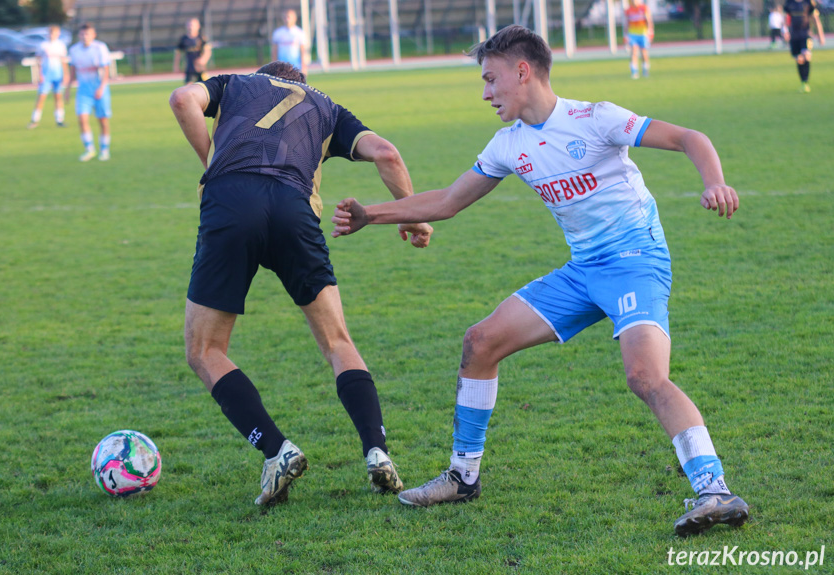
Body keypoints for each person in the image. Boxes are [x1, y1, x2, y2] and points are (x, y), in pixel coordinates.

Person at [332, 25, 748, 537]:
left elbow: (690, 138)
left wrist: (715, 182)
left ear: (522, 71)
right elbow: (447, 202)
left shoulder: (595, 118)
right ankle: (463, 477)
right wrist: (371, 214)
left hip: (635, 262)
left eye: (491, 80)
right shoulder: (509, 145)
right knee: (480, 342)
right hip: (582, 272)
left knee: (645, 377)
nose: (485, 93)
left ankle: (714, 489)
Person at [168, 60, 434, 507]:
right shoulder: (327, 108)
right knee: (337, 341)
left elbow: (182, 99)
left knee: (204, 350)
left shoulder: (237, 85)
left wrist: (211, 163)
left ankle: (277, 450)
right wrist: (413, 216)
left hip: (231, 206)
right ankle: (377, 451)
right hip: (296, 211)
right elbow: (387, 153)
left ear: (264, 78)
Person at [65, 23, 112, 161]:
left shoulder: (100, 48)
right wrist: (68, 89)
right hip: (83, 90)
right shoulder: (74, 50)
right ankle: (89, 149)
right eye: (82, 34)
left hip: (98, 88)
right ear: (79, 35)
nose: (84, 37)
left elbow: (106, 70)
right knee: (82, 118)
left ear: (93, 35)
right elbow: (73, 71)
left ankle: (104, 150)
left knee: (102, 120)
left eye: (87, 34)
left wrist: (101, 88)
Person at [28, 25, 68, 130]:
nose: (52, 35)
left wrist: (66, 74)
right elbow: (38, 61)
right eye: (50, 33)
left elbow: (63, 61)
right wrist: (39, 74)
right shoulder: (43, 45)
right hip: (46, 74)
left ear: (58, 34)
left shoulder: (60, 45)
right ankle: (35, 120)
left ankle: (59, 119)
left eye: (55, 33)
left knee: (58, 96)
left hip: (57, 74)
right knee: (41, 97)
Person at [783, 0, 826, 92]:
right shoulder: (789, 3)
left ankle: (805, 82)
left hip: (806, 35)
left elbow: (815, 19)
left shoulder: (809, 2)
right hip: (794, 36)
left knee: (806, 55)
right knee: (799, 59)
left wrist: (820, 35)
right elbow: (786, 18)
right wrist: (785, 31)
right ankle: (803, 82)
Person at [173, 18, 212, 84]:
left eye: (193, 25)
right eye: (189, 25)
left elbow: (207, 51)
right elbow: (178, 53)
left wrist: (203, 60)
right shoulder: (183, 39)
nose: (191, 27)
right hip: (189, 69)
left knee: (206, 87)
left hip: (200, 69)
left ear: (198, 26)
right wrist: (176, 65)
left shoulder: (202, 38)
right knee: (188, 87)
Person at [271, 9, 308, 76]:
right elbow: (274, 50)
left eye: (289, 17)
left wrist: (304, 66)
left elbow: (302, 50)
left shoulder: (299, 33)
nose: (287, 19)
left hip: (296, 66)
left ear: (294, 18)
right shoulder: (278, 33)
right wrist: (274, 66)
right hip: (281, 67)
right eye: (285, 17)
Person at [624, 0, 653, 79]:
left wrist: (650, 31)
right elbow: (627, 23)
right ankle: (634, 71)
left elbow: (648, 21)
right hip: (632, 34)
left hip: (643, 34)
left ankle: (645, 69)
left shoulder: (644, 8)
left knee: (644, 53)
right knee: (633, 52)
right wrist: (625, 35)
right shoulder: (628, 10)